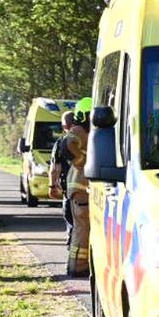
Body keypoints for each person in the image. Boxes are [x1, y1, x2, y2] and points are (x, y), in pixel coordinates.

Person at [63, 103, 91, 276]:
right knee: (83, 229)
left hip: (80, 188)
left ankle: (77, 265)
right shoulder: (80, 131)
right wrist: (82, 161)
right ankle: (78, 268)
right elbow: (66, 145)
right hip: (82, 188)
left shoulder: (87, 132)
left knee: (81, 228)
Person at [49, 109, 76, 246]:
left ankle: (73, 258)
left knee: (71, 223)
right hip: (90, 190)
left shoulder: (61, 143)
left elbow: (55, 168)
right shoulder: (88, 140)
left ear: (64, 126)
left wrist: (52, 186)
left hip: (70, 190)